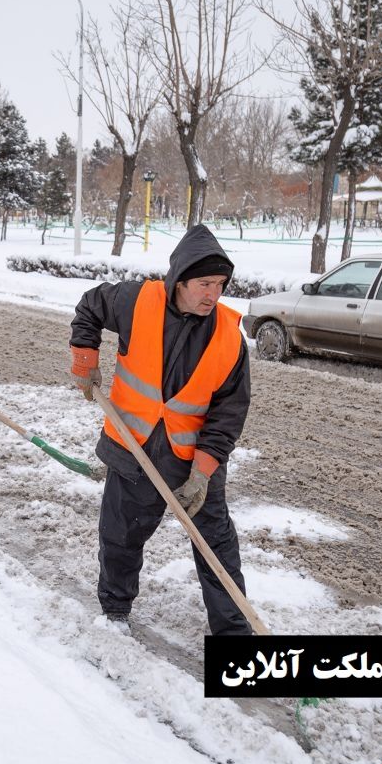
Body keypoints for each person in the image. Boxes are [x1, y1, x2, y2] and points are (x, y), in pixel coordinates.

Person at [69, 225, 252, 635]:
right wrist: (84, 360)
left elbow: (229, 411)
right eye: (204, 283)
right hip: (134, 449)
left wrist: (203, 472)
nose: (213, 294)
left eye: (220, 284)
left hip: (193, 462)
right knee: (120, 536)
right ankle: (115, 611)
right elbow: (89, 306)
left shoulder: (228, 336)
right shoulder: (136, 301)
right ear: (180, 279)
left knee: (217, 550)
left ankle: (236, 637)